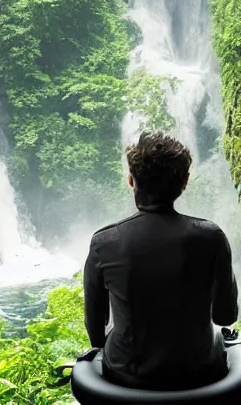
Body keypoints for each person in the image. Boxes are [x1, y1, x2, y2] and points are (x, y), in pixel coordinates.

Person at [83, 131, 238, 391]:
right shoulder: (211, 237)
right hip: (200, 369)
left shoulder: (105, 242)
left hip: (127, 373)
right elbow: (225, 316)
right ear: (185, 182)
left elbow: (96, 335)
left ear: (131, 180)